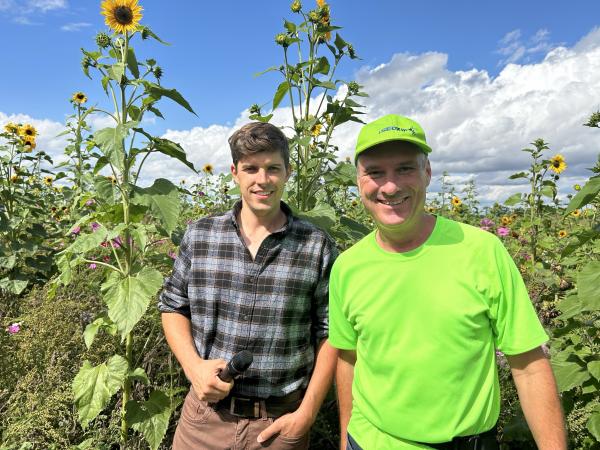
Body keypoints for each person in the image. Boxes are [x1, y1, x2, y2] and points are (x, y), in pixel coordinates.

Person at [328, 114, 567, 450]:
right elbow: (348, 359)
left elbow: (528, 364)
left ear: (427, 173)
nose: (391, 185)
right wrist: (345, 440)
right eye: (375, 172)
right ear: (358, 181)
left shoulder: (481, 251)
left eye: (405, 169)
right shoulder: (347, 267)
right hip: (369, 441)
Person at [159, 122, 338, 450]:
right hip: (204, 419)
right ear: (235, 173)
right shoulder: (201, 236)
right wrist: (193, 367)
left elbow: (330, 333)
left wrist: (307, 413)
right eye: (251, 168)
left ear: (287, 172)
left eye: (273, 168)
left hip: (279, 424)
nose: (262, 179)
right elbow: (172, 306)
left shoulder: (316, 246)